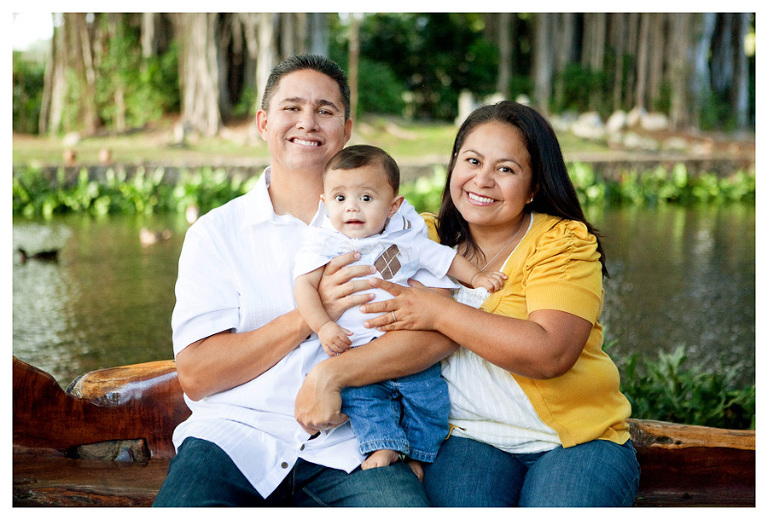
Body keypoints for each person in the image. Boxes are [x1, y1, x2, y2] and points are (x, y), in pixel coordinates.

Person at [301, 101, 641, 507]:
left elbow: (551, 352)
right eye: (472, 161)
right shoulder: (420, 236)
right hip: (468, 438)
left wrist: (439, 310)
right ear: (453, 166)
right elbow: (348, 221)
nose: (482, 180)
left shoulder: (562, 242)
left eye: (505, 169)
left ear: (534, 186)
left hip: (573, 440)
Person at [153, 55, 455, 507]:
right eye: (291, 108)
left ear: (346, 129)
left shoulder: (395, 220)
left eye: (325, 111)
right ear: (263, 122)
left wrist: (333, 373)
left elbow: (440, 333)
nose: (307, 123)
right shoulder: (216, 234)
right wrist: (314, 312)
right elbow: (197, 375)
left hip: (356, 442)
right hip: (233, 438)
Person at [294, 144, 504, 478]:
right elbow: (303, 287)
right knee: (363, 402)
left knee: (430, 401)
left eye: (366, 198)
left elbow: (444, 259)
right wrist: (322, 326)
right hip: (355, 350)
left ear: (393, 206)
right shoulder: (325, 242)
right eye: (339, 198)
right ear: (324, 203)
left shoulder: (405, 240)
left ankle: (419, 456)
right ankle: (383, 445)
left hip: (404, 347)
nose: (352, 209)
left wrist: (477, 277)